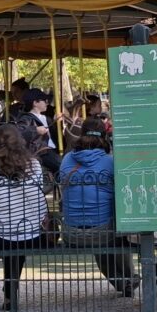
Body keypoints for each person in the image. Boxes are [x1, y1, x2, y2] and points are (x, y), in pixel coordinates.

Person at [0, 124, 48, 312]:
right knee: (17, 240)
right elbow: (40, 204)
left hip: (2, 237)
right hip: (32, 235)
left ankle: (9, 291)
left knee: (0, 234)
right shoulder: (34, 165)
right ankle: (10, 289)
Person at [58, 118, 134, 294]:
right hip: (103, 232)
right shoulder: (110, 161)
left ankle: (123, 282)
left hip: (71, 232)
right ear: (105, 136)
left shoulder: (67, 159)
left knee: (100, 238)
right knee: (116, 230)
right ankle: (129, 278)